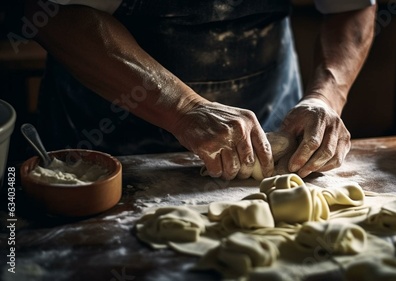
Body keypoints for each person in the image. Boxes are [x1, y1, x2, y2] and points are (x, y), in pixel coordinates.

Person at [21, 0, 376, 180]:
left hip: (273, 109)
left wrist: (325, 95)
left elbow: (351, 6)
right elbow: (50, 13)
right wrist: (182, 107)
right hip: (107, 132)